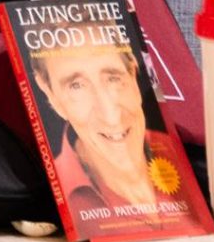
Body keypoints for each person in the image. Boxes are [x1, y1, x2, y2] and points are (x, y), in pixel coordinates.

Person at [28, 29, 184, 225]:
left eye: (113, 78)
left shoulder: (183, 157)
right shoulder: (48, 196)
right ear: (53, 98)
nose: (111, 117)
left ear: (133, 75)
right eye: (76, 86)